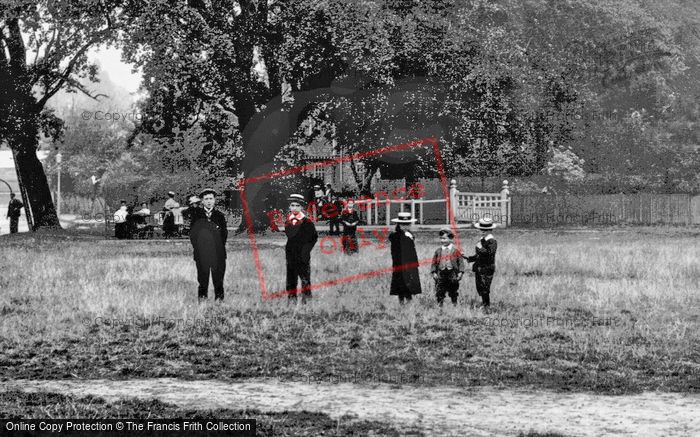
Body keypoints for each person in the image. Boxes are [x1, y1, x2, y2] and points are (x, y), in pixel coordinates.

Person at [189, 189, 227, 302]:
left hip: (217, 254)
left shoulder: (220, 216)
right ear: (202, 201)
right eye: (206, 199)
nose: (209, 201)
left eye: (211, 199)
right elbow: (193, 235)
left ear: (214, 200)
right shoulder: (196, 215)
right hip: (202, 254)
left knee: (218, 280)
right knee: (202, 280)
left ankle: (219, 303)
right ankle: (202, 303)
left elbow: (224, 235)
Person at [284, 193, 318, 304]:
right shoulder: (288, 221)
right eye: (292, 205)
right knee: (291, 278)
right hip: (291, 254)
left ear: (301, 207)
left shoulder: (307, 222)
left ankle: (306, 300)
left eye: (297, 206)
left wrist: (306, 251)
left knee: (305, 278)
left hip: (303, 255)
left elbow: (313, 238)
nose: (294, 208)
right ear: (289, 207)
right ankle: (291, 298)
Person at [464, 217, 498, 308]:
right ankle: (484, 304)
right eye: (481, 229)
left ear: (490, 230)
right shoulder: (482, 240)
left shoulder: (492, 241)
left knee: (485, 287)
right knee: (480, 287)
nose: (483, 231)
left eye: (485, 230)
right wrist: (469, 258)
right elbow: (478, 255)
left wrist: (480, 247)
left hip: (487, 267)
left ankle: (486, 306)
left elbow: (489, 254)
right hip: (480, 267)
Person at [388, 211, 422, 304]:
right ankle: (401, 302)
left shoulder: (410, 235)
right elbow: (396, 251)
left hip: (410, 263)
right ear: (398, 224)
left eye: (407, 224)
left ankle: (409, 301)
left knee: (410, 283)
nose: (405, 226)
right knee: (401, 283)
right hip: (400, 263)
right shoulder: (395, 236)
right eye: (403, 224)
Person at [430, 228, 466, 306]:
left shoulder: (455, 251)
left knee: (453, 290)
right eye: (441, 238)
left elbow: (461, 262)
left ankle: (454, 304)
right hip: (441, 273)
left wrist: (460, 272)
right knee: (440, 290)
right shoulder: (438, 251)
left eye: (445, 238)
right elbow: (434, 262)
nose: (442, 241)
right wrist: (433, 272)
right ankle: (440, 305)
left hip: (452, 273)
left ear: (450, 238)